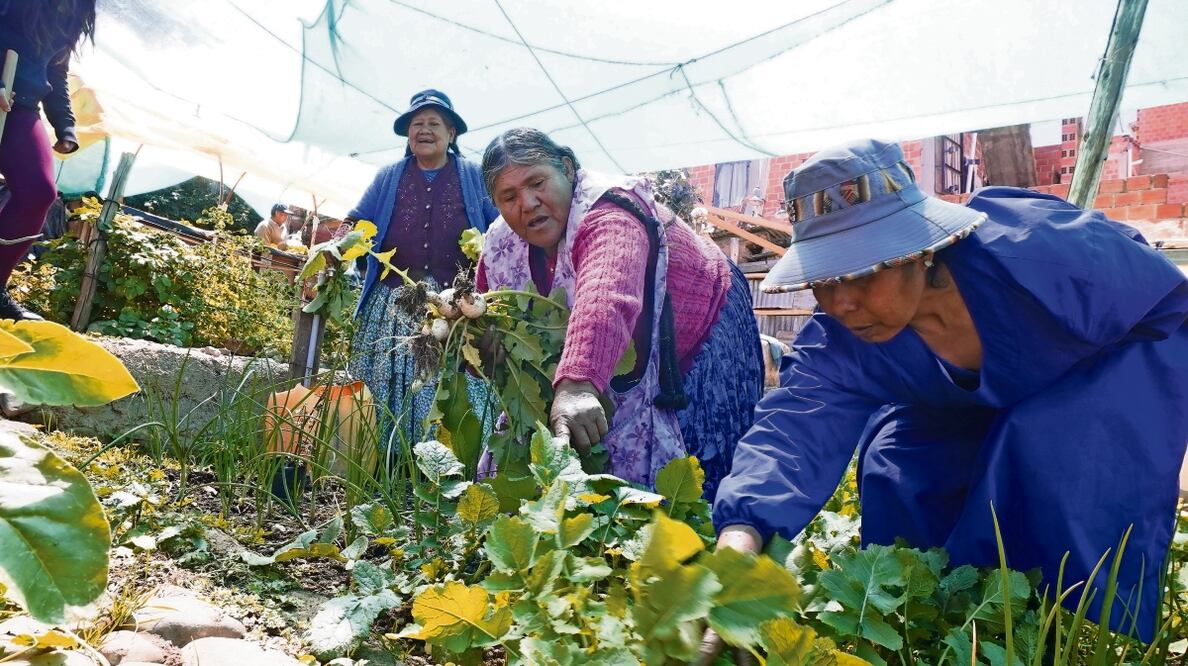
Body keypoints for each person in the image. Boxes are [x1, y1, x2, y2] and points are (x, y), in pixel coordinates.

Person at [710, 139, 1188, 646]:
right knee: (896, 463)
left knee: (1048, 456)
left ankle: (1071, 636)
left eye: (861, 272)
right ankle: (938, 629)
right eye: (824, 281)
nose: (842, 302)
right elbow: (795, 428)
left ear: (919, 249)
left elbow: (1165, 300)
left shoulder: (1039, 255)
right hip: (978, 396)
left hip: (1120, 356)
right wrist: (741, 537)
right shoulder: (842, 338)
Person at [478, 128, 764, 497]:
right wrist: (481, 345)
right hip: (608, 359)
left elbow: (609, 290)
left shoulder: (609, 211)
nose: (528, 203)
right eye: (509, 196)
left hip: (703, 327)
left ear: (566, 169)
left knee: (697, 473)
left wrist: (578, 384)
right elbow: (488, 307)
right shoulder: (501, 243)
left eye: (537, 182)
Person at [346, 89, 498, 448]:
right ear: (408, 134)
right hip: (392, 302)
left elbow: (502, 229)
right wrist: (337, 247)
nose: (425, 130)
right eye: (418, 124)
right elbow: (355, 221)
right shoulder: (389, 177)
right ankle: (386, 459)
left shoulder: (475, 177)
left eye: (434, 123)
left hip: (456, 307)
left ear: (452, 134)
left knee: (454, 379)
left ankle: (450, 460)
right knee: (386, 378)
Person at [0, 0, 94, 320]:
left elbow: (55, 67)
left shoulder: (74, 9)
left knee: (39, 192)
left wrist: (64, 124)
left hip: (22, 106)